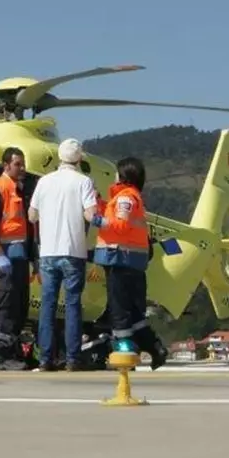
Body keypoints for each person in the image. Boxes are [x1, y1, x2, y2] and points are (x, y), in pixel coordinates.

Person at [89, 156, 168, 370]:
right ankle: (154, 348)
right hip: (131, 260)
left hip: (120, 259)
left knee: (119, 309)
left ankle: (125, 349)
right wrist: (98, 202)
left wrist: (94, 219)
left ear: (123, 175)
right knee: (133, 311)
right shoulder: (128, 198)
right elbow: (116, 216)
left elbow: (120, 226)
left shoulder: (126, 198)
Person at [28, 138, 99, 371]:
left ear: (60, 157)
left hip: (48, 252)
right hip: (73, 251)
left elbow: (31, 215)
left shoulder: (44, 181)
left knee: (47, 305)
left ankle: (45, 359)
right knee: (72, 305)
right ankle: (72, 359)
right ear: (79, 159)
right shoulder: (84, 182)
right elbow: (90, 215)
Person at [0, 146, 34, 371]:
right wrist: (0, 256)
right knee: (6, 305)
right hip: (5, 258)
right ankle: (2, 355)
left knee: (19, 306)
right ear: (6, 165)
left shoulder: (17, 190)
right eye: (17, 164)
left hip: (18, 256)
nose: (22, 168)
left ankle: (14, 351)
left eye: (23, 164)